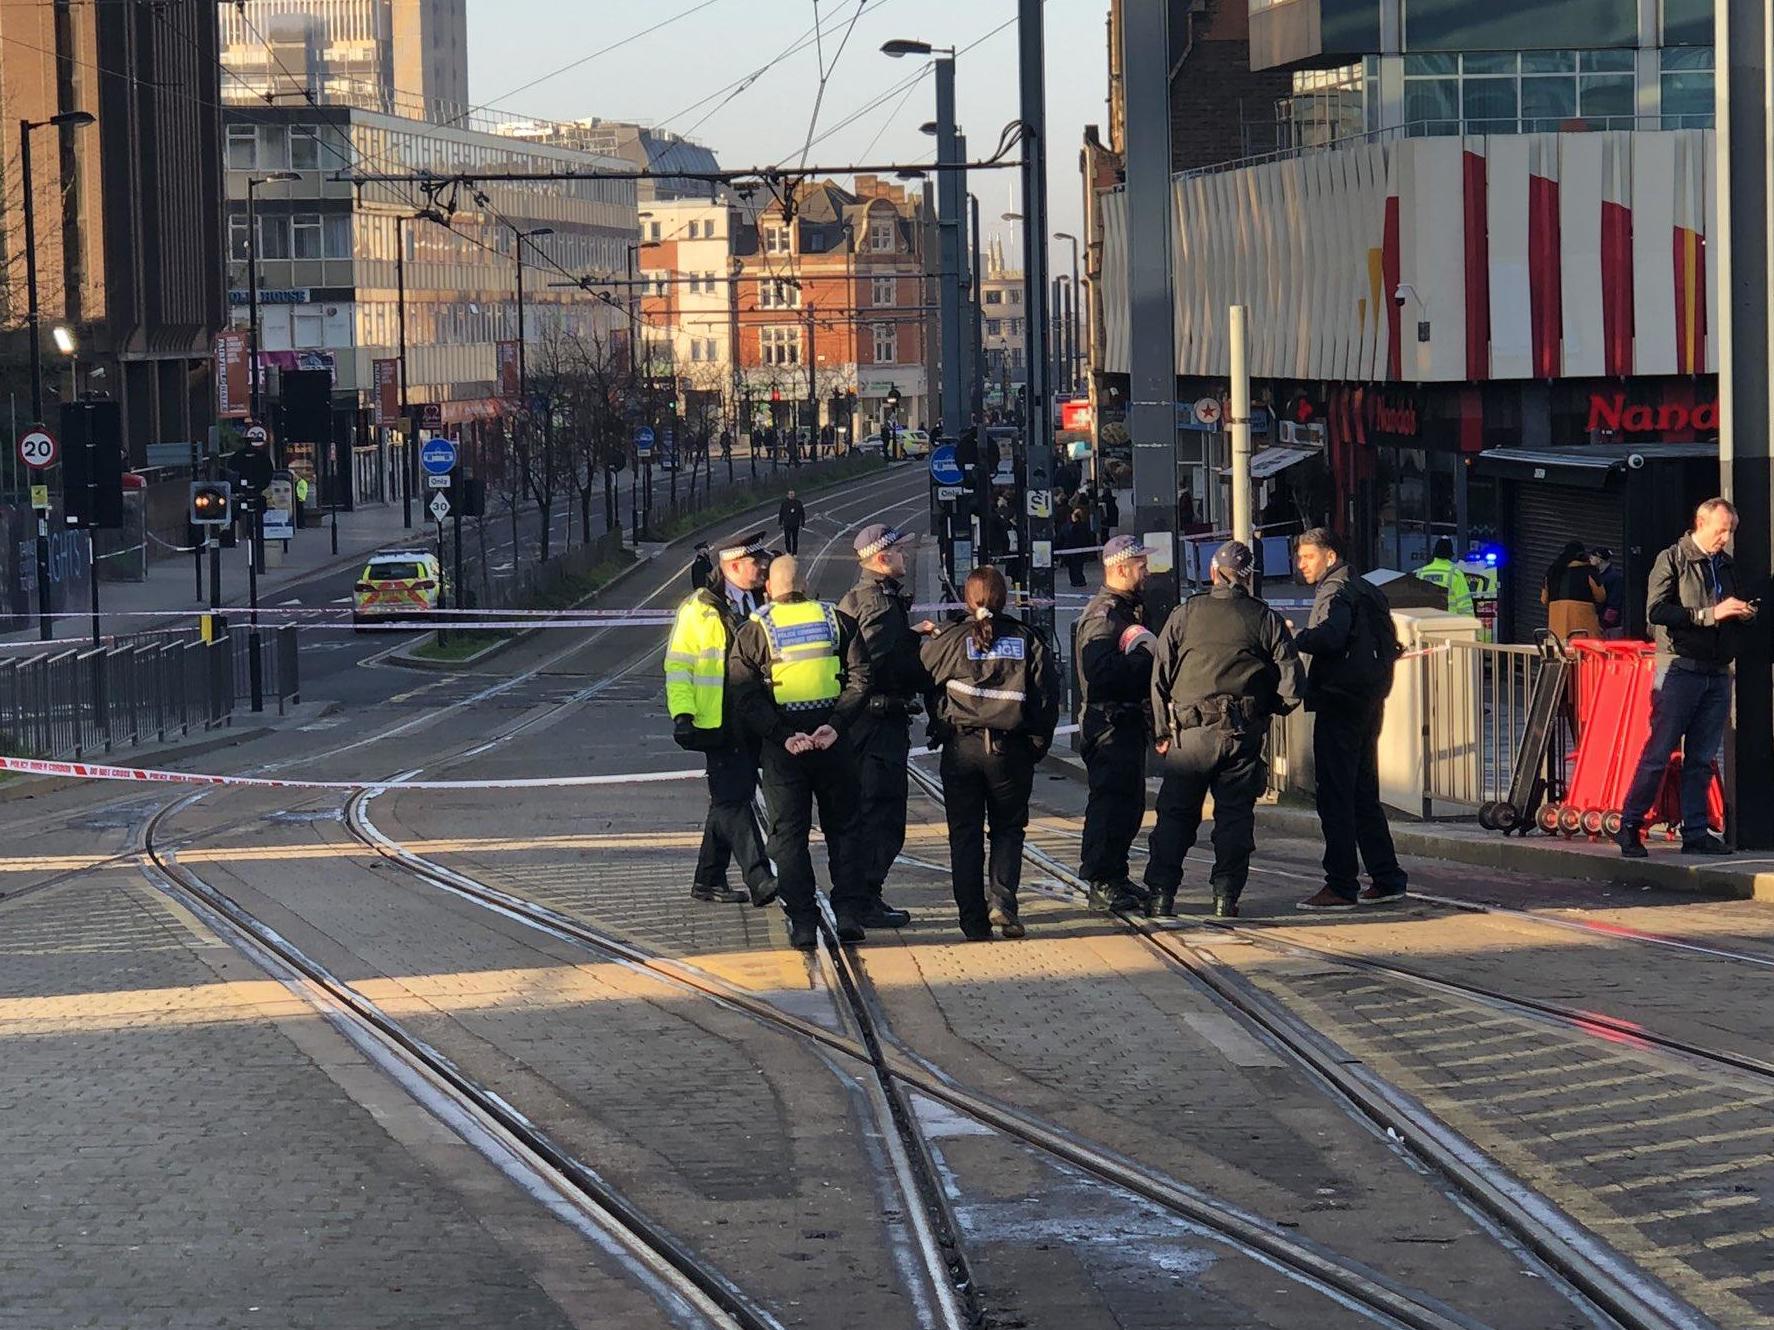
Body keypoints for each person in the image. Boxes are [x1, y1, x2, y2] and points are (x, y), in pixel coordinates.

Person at [1144, 541, 1304, 918]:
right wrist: (1264, 713)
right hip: (1240, 735)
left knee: (1176, 817)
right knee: (1234, 818)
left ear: (1213, 573)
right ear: (1248, 579)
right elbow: (1292, 686)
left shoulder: (1185, 615)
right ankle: (1225, 897)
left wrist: (1162, 732)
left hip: (1189, 737)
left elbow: (1159, 677)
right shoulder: (1265, 619)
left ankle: (1161, 896)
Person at [728, 554, 874, 951]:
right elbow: (862, 678)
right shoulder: (836, 621)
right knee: (844, 827)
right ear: (806, 585)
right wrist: (837, 725)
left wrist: (781, 734)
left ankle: (804, 921)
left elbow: (744, 693)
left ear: (769, 588)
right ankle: (847, 913)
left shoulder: (755, 629)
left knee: (788, 836)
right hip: (833, 741)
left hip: (784, 748)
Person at [920, 567, 1062, 940]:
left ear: (968, 599)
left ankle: (972, 921)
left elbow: (921, 677)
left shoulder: (950, 639)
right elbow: (1046, 698)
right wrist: (1036, 743)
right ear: (1006, 598)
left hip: (961, 747)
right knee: (1008, 829)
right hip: (1010, 750)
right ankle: (1003, 902)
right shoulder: (1027, 638)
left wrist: (940, 721)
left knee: (964, 834)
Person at [1616, 499, 1756, 858]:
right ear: (1700, 522)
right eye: (1720, 530)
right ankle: (1631, 824)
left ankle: (1696, 832)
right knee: (1659, 753)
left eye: (1730, 532)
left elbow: (1726, 608)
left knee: (1702, 757)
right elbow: (1656, 611)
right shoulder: (1673, 559)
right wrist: (1709, 614)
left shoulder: (1724, 565)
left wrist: (1743, 614)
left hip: (1717, 671)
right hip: (1680, 668)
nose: (1725, 538)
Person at [1291, 527, 1408, 910]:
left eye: (1308, 557)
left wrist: (1297, 638)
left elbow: (1331, 637)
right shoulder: (1366, 588)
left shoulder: (1335, 591)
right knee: (1362, 793)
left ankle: (1341, 884)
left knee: (1336, 795)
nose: (1301, 564)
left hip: (1339, 701)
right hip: (1368, 701)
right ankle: (1386, 876)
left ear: (1330, 556)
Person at [664, 529, 777, 909]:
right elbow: (679, 666)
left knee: (727, 800)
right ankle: (760, 876)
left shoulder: (762, 601)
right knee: (733, 800)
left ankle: (708, 880)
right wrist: (683, 714)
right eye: (756, 561)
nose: (764, 566)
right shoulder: (698, 609)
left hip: (756, 718)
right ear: (733, 566)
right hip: (718, 721)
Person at [838, 524, 937, 930]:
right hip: (876, 726)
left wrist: (910, 637)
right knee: (881, 815)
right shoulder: (877, 605)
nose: (906, 557)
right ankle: (862, 897)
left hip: (872, 724)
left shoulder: (868, 598)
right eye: (899, 552)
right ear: (881, 559)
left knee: (871, 813)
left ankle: (860, 895)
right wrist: (924, 659)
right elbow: (873, 665)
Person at [1074, 535, 1156, 913]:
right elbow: (1100, 671)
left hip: (1126, 721)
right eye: (1140, 565)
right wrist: (1144, 659)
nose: (1147, 571)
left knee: (1129, 803)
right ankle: (1101, 879)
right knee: (1109, 803)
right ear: (1120, 569)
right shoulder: (1104, 615)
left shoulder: (1126, 610)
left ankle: (1117, 873)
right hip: (1107, 723)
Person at [1541, 540, 1605, 639]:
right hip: (1583, 625)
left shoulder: (1552, 572)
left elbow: (1544, 599)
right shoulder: (1589, 571)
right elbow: (1601, 597)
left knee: (1559, 651)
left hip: (1557, 627)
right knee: (1582, 652)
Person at [1414, 538, 1476, 617]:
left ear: (1435, 553)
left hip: (1425, 624)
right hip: (1448, 624)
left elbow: (1414, 603)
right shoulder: (1455, 574)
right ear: (1450, 554)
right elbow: (1465, 605)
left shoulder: (1420, 573)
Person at [1592, 547, 1626, 638]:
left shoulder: (1614, 578)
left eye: (1592, 557)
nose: (1590, 560)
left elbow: (1614, 604)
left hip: (1609, 628)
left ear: (1599, 559)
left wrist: (1604, 624)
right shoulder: (1599, 575)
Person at [1062, 507, 1091, 588]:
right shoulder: (1083, 525)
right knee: (1078, 566)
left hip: (1071, 549)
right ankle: (1079, 580)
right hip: (1078, 549)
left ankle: (1076, 581)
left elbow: (1062, 537)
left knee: (1073, 567)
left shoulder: (1067, 526)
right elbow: (1088, 537)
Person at [778, 489, 805, 555]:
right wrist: (780, 523)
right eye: (790, 494)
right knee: (787, 538)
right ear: (787, 495)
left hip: (795, 524)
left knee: (795, 539)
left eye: (793, 494)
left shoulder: (798, 503)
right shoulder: (784, 503)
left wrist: (802, 524)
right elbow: (781, 513)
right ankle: (788, 551)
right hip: (787, 524)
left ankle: (794, 553)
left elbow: (802, 514)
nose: (791, 496)